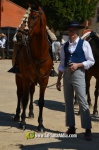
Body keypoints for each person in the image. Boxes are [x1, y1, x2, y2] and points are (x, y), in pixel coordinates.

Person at [56, 21, 95, 141]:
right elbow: (62, 64)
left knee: (82, 102)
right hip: (67, 74)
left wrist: (78, 65)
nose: (71, 32)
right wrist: (58, 79)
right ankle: (71, 127)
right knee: (68, 102)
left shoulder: (84, 44)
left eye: (73, 30)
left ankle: (87, 129)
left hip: (79, 74)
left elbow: (91, 61)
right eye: (69, 30)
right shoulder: (65, 46)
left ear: (77, 31)